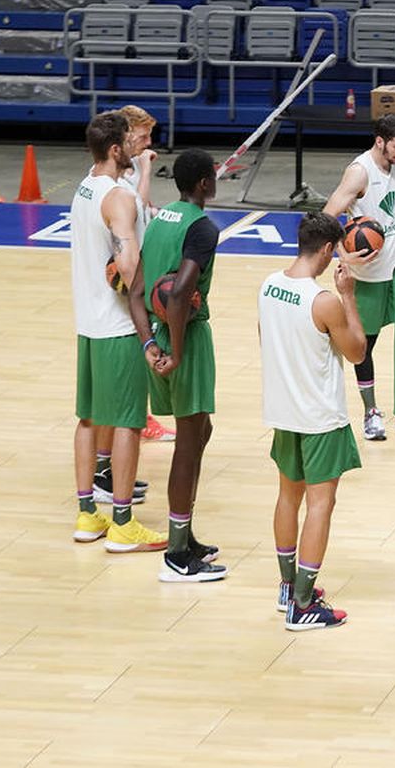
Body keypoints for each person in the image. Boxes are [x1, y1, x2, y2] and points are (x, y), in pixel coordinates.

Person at [259, 212, 367, 630]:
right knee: (321, 503)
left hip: (283, 410)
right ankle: (303, 604)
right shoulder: (323, 301)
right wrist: (349, 297)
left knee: (289, 496)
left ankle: (288, 586)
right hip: (319, 416)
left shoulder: (269, 285)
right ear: (325, 250)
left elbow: (264, 337)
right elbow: (357, 352)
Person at [70, 112, 167, 553]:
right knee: (128, 424)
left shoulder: (85, 185)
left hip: (87, 323)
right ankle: (124, 522)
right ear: (115, 149)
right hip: (118, 327)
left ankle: (88, 514)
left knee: (89, 419)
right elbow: (128, 270)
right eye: (130, 141)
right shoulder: (118, 197)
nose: (136, 145)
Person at [128, 148, 225, 582]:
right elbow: (181, 291)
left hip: (156, 333)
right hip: (186, 334)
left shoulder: (161, 218)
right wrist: (179, 351)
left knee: (200, 431)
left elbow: (134, 291)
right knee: (188, 443)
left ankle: (184, 533)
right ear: (204, 183)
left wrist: (148, 341)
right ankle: (176, 554)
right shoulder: (203, 228)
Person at [324, 113, 395, 439]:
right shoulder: (358, 173)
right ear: (379, 141)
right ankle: (370, 412)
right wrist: (341, 253)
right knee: (364, 347)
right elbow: (328, 215)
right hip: (367, 279)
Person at [115, 105, 170, 444]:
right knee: (138, 338)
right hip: (127, 267)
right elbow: (137, 201)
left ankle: (141, 414)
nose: (149, 141)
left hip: (143, 258)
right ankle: (137, 416)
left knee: (144, 337)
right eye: (144, 135)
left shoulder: (134, 163)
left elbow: (143, 206)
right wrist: (147, 171)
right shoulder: (121, 171)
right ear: (127, 133)